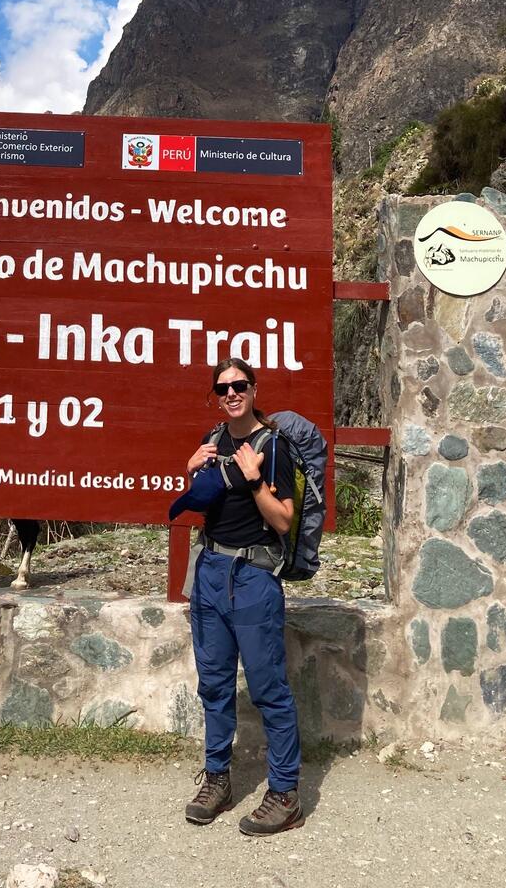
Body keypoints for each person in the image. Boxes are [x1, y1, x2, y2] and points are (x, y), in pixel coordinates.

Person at [182, 357, 303, 835]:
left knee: (268, 688)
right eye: (222, 388)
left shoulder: (272, 447)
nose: (230, 393)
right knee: (213, 684)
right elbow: (205, 505)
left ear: (254, 390)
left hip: (252, 577)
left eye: (239, 385)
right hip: (210, 571)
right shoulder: (213, 440)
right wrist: (191, 472)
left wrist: (254, 479)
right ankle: (217, 780)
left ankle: (285, 794)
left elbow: (283, 521)